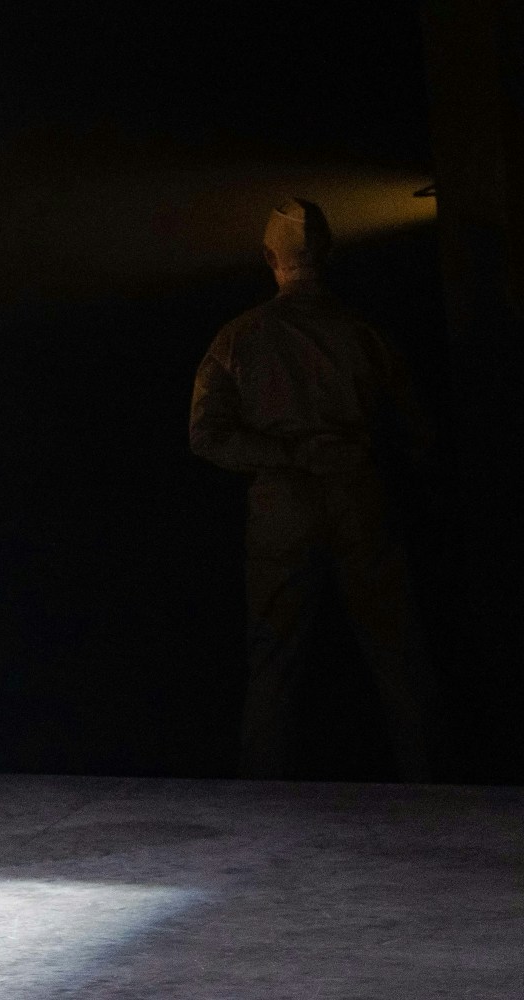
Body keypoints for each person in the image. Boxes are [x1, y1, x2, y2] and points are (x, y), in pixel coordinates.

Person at [189, 198, 432, 782]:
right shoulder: (366, 336)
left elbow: (205, 435)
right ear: (329, 252)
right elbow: (416, 433)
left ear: (269, 256)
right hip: (360, 498)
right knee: (398, 658)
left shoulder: (238, 338)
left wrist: (286, 454)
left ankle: (262, 810)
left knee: (274, 662)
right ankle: (438, 798)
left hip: (281, 507)